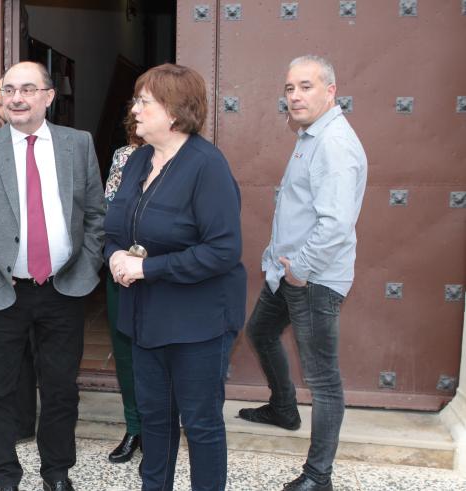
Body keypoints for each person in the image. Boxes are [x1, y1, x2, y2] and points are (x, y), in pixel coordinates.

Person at [0, 61, 105, 491]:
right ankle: (6, 477)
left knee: (60, 389)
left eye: (28, 89)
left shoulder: (78, 144)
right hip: (3, 292)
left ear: (48, 96)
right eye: (9, 90)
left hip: (63, 289)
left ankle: (56, 473)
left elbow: (95, 215)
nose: (17, 98)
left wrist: (85, 265)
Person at [104, 63, 246, 491]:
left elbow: (223, 250)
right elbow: (114, 227)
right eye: (136, 100)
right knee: (155, 419)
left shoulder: (207, 165)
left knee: (200, 424)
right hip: (145, 320)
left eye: (144, 101)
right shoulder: (138, 160)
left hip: (197, 323)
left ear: (175, 111)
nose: (135, 109)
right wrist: (113, 256)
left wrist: (147, 267)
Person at [238, 55, 367, 491]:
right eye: (290, 87)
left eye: (306, 86)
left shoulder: (334, 143)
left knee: (324, 379)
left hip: (312, 278)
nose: (294, 95)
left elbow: (335, 223)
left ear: (331, 91)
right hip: (289, 272)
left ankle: (318, 477)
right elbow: (299, 208)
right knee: (260, 331)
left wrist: (301, 270)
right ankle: (283, 409)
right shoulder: (310, 136)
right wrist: (280, 260)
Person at [0, 76, 39, 445]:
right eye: (0, 100)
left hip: (46, 280)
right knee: (10, 361)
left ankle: (33, 422)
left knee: (44, 360)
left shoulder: (58, 147)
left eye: (1, 100)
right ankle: (19, 424)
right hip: (0, 280)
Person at [102, 109, 144, 464]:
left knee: (163, 355)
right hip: (121, 273)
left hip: (164, 275)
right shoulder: (124, 156)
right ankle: (134, 427)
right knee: (126, 352)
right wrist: (116, 256)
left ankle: (162, 431)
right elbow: (108, 211)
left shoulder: (191, 158)